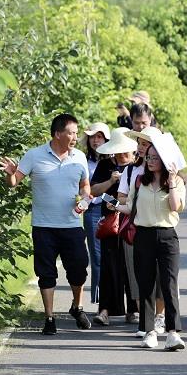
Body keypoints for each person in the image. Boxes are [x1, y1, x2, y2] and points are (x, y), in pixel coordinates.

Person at [0, 114, 92, 336]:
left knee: (79, 269)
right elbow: (14, 182)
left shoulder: (79, 157)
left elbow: (85, 186)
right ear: (58, 134)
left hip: (72, 225)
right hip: (44, 227)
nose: (75, 137)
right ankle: (49, 318)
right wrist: (10, 175)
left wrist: (85, 199)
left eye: (76, 133)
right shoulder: (34, 155)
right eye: (71, 133)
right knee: (46, 273)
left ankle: (77, 307)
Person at [111, 133, 187, 351]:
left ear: (164, 159)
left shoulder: (177, 182)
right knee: (146, 283)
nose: (150, 161)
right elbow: (130, 207)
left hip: (167, 236)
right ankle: (149, 331)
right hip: (143, 235)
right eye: (148, 157)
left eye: (155, 157)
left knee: (169, 284)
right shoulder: (139, 180)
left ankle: (173, 332)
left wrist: (171, 182)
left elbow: (175, 207)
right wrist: (115, 206)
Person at [120, 126, 166, 335]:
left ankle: (160, 317)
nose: (140, 148)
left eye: (145, 143)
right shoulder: (131, 170)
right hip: (135, 228)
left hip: (161, 229)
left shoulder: (166, 172)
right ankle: (145, 321)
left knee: (161, 277)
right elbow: (123, 197)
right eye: (139, 143)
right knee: (138, 275)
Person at [90, 128, 138, 325]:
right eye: (119, 150)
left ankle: (134, 308)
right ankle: (105, 310)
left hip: (132, 221)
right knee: (109, 266)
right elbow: (93, 190)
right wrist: (111, 180)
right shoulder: (105, 165)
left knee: (132, 265)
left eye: (125, 150)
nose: (122, 154)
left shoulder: (138, 166)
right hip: (110, 220)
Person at [81, 122, 110, 304]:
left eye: (99, 136)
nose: (96, 140)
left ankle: (117, 301)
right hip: (92, 210)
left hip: (112, 209)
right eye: (93, 136)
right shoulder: (83, 160)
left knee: (114, 255)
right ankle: (99, 300)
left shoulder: (114, 160)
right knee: (97, 256)